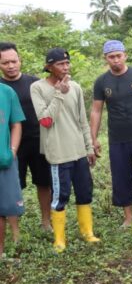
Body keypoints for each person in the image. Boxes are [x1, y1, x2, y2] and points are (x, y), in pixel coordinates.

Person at [30, 48, 99, 252]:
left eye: (67, 63)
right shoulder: (38, 88)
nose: (66, 67)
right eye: (60, 64)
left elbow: (82, 121)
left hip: (79, 151)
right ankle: (59, 239)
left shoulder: (76, 87)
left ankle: (87, 232)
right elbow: (45, 120)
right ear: (49, 67)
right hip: (58, 153)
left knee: (85, 193)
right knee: (61, 196)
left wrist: (89, 147)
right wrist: (59, 94)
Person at [90, 40, 132, 228]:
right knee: (121, 177)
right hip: (117, 138)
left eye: (119, 56)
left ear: (125, 55)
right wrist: (93, 139)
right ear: (106, 59)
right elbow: (96, 110)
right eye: (111, 57)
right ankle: (128, 218)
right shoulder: (102, 82)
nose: (116, 60)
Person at [0, 42, 51, 232]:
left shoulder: (35, 83)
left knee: (44, 183)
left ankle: (46, 221)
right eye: (6, 63)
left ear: (20, 60)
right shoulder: (1, 88)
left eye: (14, 61)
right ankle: (14, 230)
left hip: (39, 142)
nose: (11, 66)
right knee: (12, 187)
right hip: (11, 146)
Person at [0, 82, 24, 257]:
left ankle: (2, 251)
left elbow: (16, 123)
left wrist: (13, 151)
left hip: (4, 158)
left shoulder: (6, 92)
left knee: (6, 205)